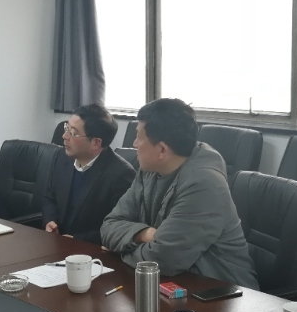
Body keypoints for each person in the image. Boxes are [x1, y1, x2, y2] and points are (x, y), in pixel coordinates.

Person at [101, 98, 258, 289]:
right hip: (176, 284)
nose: (134, 144)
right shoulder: (149, 170)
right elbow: (109, 225)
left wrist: (120, 249)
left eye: (139, 137)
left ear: (162, 149)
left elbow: (162, 260)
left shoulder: (204, 184)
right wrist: (145, 234)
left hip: (224, 293)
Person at [42, 104, 135, 244]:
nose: (64, 136)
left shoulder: (121, 175)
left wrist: (77, 240)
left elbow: (119, 228)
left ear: (96, 143)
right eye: (66, 128)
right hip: (56, 243)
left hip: (90, 250)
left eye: (72, 133)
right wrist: (50, 221)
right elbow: (50, 197)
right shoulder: (62, 157)